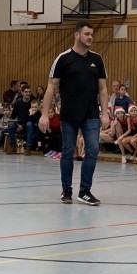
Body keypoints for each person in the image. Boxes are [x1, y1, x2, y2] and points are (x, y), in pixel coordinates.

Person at [39, 21, 108, 206]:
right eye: (87, 34)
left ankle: (85, 191)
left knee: (92, 150)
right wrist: (44, 114)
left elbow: (103, 89)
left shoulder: (97, 59)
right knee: (68, 152)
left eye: (92, 34)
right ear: (77, 35)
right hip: (69, 115)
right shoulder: (63, 59)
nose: (90, 37)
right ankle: (66, 190)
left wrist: (105, 113)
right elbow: (51, 87)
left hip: (91, 114)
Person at [6, 85, 35, 153]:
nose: (28, 93)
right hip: (19, 124)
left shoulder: (33, 103)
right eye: (26, 92)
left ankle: (28, 147)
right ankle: (12, 146)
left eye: (29, 92)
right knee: (11, 124)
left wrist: (22, 126)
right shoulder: (18, 102)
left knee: (29, 124)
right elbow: (13, 116)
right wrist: (12, 122)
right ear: (22, 93)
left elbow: (33, 119)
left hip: (29, 125)